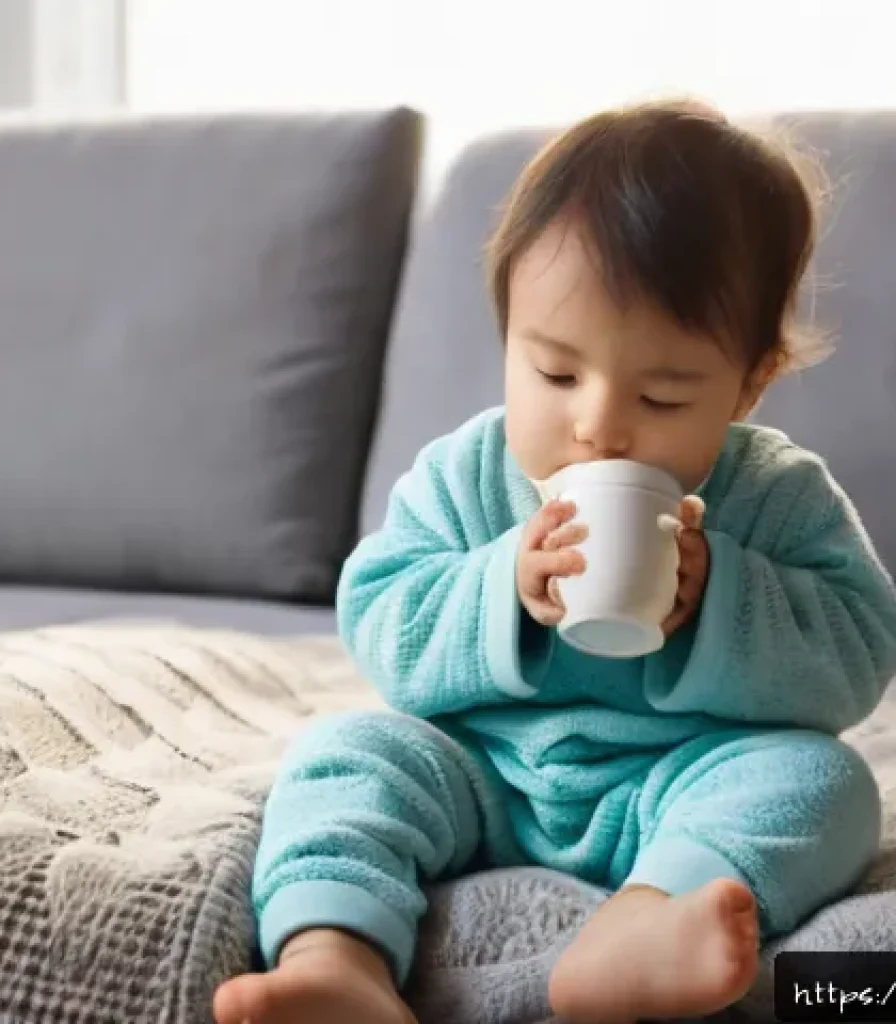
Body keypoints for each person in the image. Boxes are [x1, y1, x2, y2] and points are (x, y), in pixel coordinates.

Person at [214, 100, 896, 1024]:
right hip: (487, 773)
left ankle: (644, 928)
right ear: (510, 344)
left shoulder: (779, 494)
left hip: (682, 777)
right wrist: (500, 586)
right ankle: (336, 956)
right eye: (558, 374)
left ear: (748, 383)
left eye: (663, 393)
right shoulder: (464, 475)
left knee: (828, 784)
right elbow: (381, 615)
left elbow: (862, 647)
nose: (599, 424)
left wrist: (722, 601)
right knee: (348, 754)